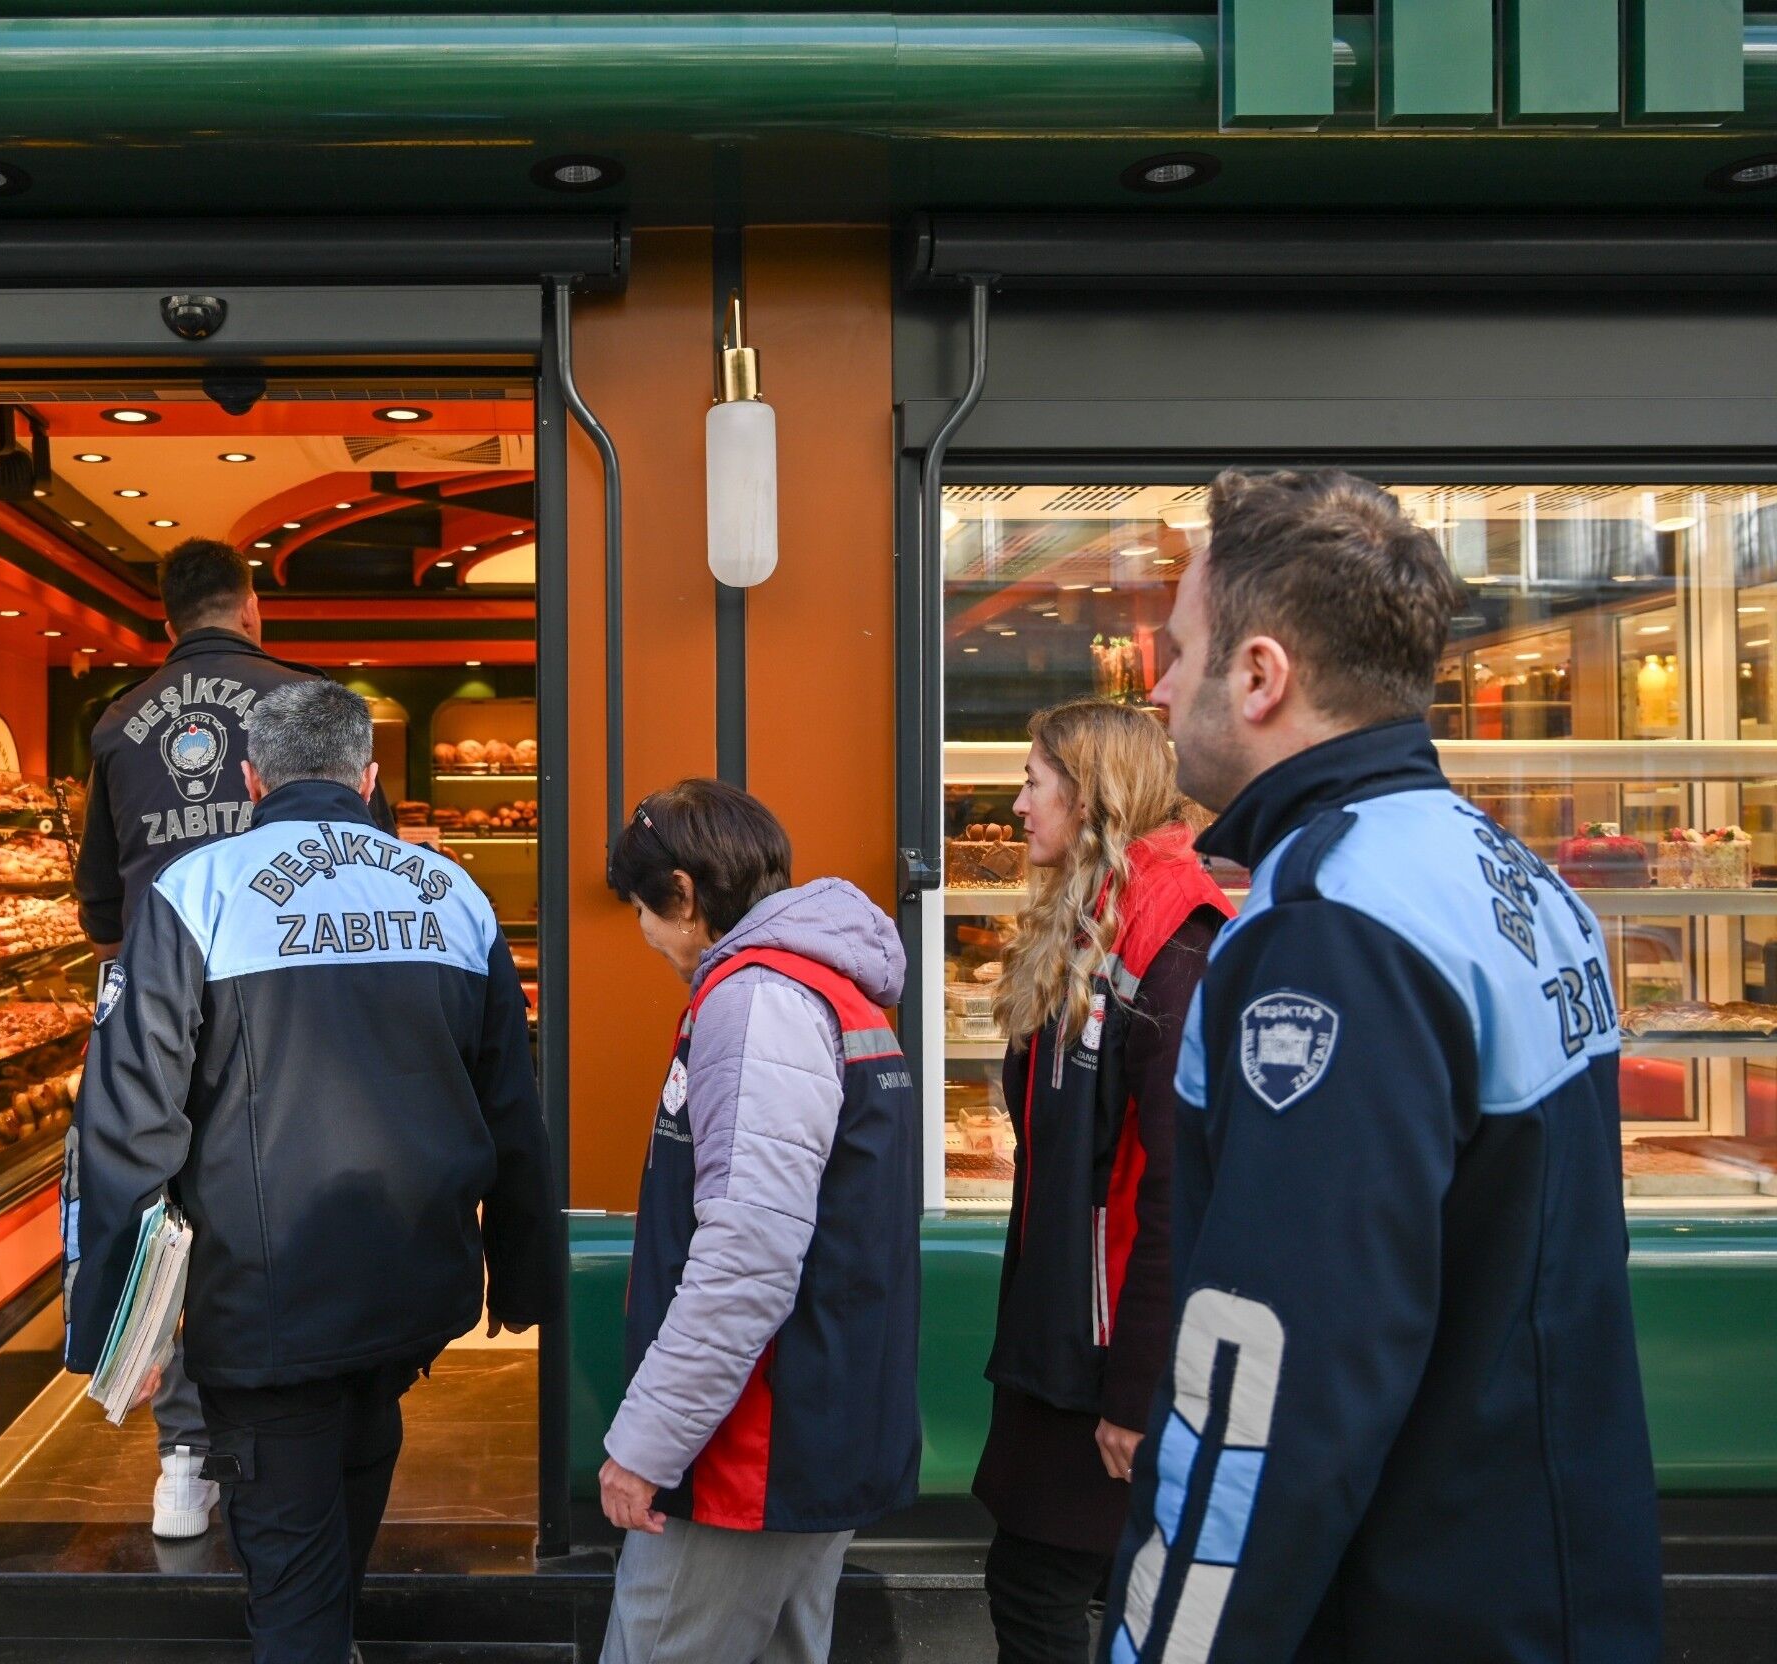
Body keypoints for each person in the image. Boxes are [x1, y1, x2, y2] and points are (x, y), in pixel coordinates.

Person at [1104, 468, 1661, 1661]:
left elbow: (1269, 1380)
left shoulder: (1329, 928)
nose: (1157, 685)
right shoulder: (1500, 872)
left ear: (1260, 675)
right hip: (1541, 1588)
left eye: (1181, 649)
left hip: (1404, 1610)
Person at [68, 676, 559, 1664]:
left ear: (252, 779)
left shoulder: (196, 891)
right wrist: (522, 1277)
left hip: (267, 1304)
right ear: (368, 778)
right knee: (349, 1492)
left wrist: (116, 1323)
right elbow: (514, 1108)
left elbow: (129, 1122)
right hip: (413, 1291)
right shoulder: (451, 893)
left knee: (290, 1577)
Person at [72, 536, 389, 1537]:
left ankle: (183, 1456)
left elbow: (97, 905)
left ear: (165, 620)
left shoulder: (116, 722)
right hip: (294, 995)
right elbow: (370, 862)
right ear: (252, 607)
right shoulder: (310, 705)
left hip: (162, 997)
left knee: (174, 1213)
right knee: (297, 1196)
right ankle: (317, 1416)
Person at [597, 779, 921, 1664]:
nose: (644, 932)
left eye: (642, 909)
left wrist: (647, 1445)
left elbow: (748, 1255)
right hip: (813, 1425)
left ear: (685, 894)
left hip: (749, 1451)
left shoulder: (756, 1001)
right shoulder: (829, 987)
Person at [971, 701, 1231, 1664]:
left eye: (1032, 782)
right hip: (1067, 1342)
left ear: (1088, 797)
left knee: (1041, 1593)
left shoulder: (1174, 941)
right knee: (1051, 1589)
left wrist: (1136, 1390)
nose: (1017, 804)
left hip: (1107, 1359)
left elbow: (1177, 1189)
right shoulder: (1094, 919)